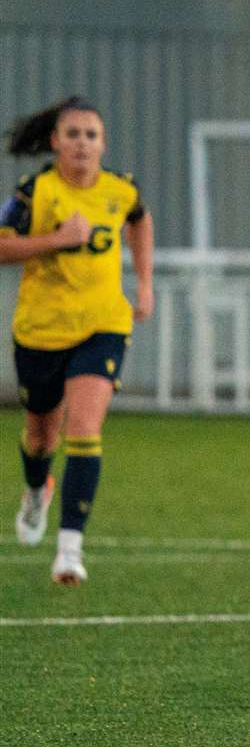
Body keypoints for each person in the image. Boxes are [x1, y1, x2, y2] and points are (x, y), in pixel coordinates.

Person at [0, 96, 154, 585]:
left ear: (103, 143)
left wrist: (144, 282)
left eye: (91, 135)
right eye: (73, 134)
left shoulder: (120, 189)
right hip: (42, 331)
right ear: (55, 142)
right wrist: (56, 240)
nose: (83, 143)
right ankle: (35, 489)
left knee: (85, 428)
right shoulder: (34, 192)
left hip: (102, 326)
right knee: (41, 437)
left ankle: (69, 550)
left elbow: (140, 220)